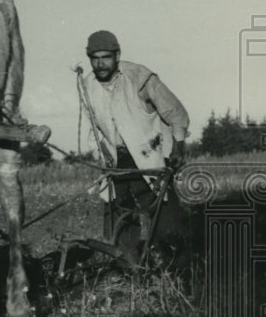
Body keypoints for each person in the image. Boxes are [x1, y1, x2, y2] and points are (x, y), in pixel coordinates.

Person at [78, 30, 189, 264]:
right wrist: (102, 154)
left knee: (162, 217)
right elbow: (92, 128)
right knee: (122, 218)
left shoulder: (140, 77)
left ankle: (174, 269)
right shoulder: (87, 85)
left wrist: (178, 147)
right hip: (117, 163)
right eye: (94, 58)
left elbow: (176, 112)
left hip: (149, 158)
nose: (100, 64)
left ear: (117, 55)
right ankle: (131, 269)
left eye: (105, 57)